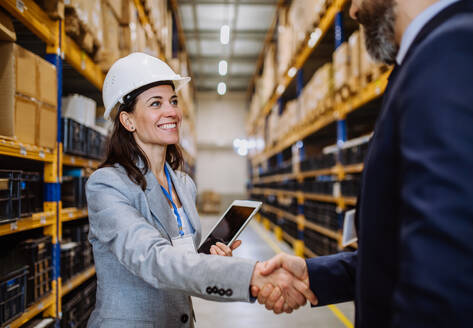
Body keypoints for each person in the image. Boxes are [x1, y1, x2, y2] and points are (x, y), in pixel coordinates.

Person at [253, 0, 473, 326]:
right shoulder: (432, 58)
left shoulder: (451, 57)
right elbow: (400, 251)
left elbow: (452, 275)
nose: (352, 11)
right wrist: (314, 275)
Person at [85, 53, 317, 328]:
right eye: (155, 103)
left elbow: (185, 265)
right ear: (128, 120)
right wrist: (249, 275)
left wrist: (212, 261)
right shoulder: (107, 184)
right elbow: (153, 258)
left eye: (173, 101)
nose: (171, 111)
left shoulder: (183, 184)